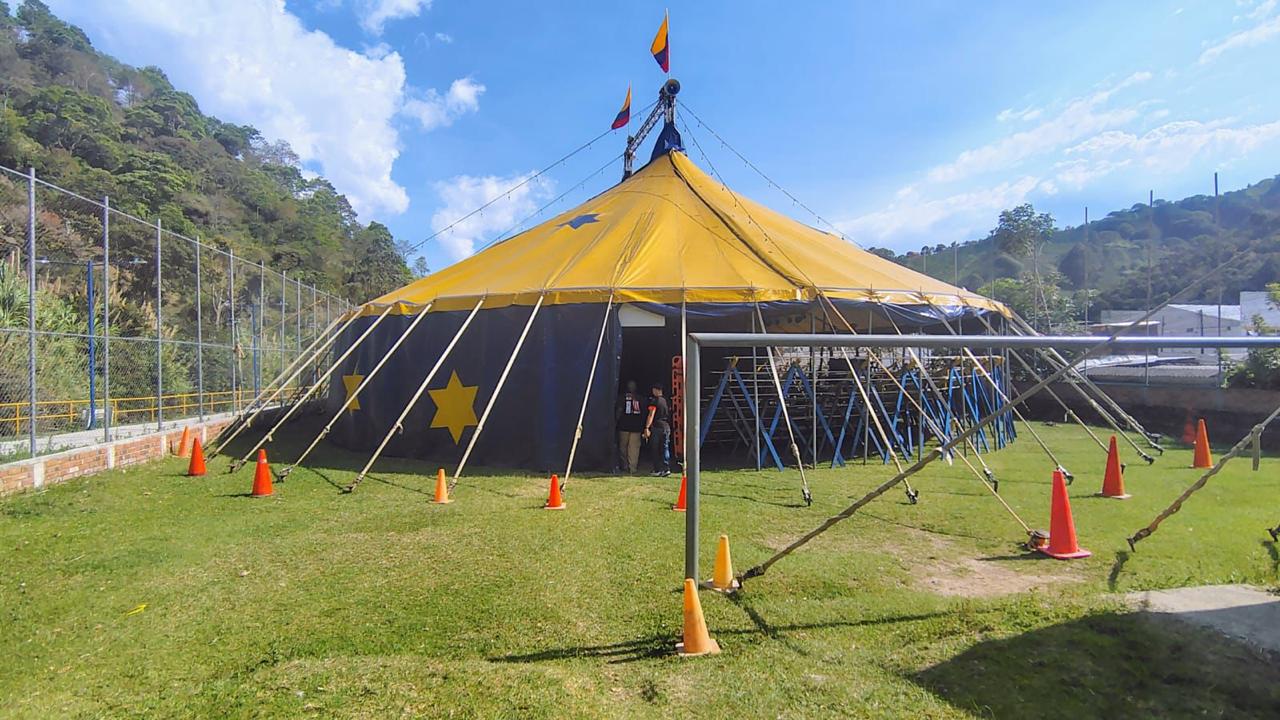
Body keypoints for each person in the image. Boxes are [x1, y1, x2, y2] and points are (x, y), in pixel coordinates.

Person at [615, 380, 644, 473]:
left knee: (623, 447)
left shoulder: (622, 398)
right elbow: (643, 412)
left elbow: (619, 410)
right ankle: (632, 468)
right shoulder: (640, 398)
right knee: (634, 448)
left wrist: (616, 421)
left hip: (623, 426)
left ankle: (625, 466)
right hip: (636, 427)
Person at [643, 382, 671, 476]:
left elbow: (651, 414)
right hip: (666, 426)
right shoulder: (666, 401)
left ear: (655, 390)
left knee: (655, 449)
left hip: (657, 427)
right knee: (665, 448)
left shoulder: (655, 401)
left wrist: (647, 427)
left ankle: (657, 469)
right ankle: (666, 468)